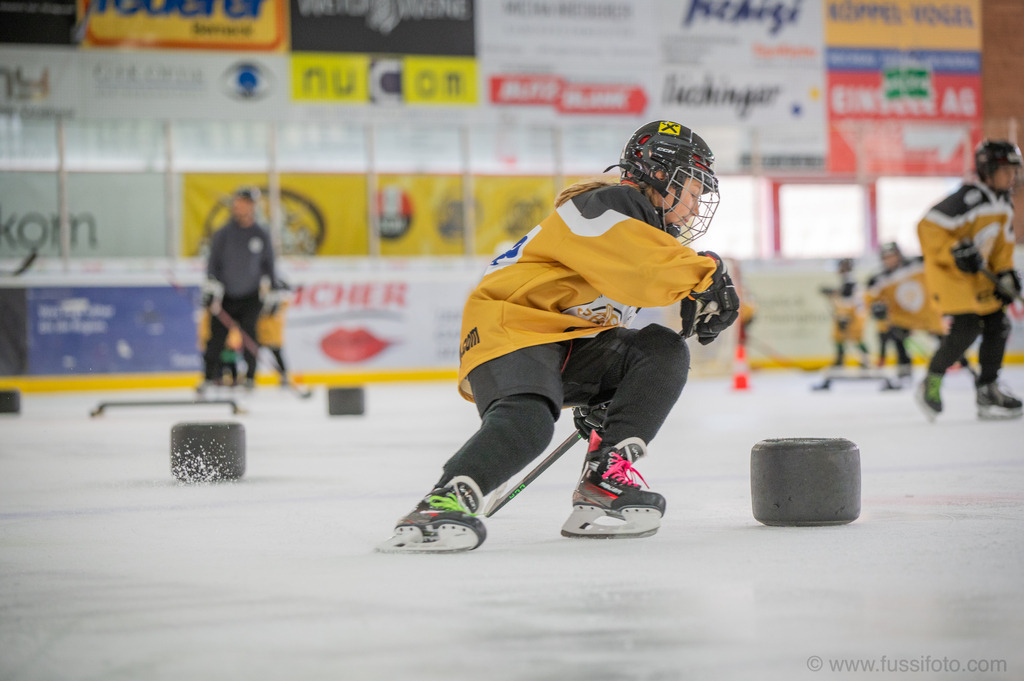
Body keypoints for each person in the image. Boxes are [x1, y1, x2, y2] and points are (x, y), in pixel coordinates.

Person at [378, 120, 739, 553]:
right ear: (661, 174)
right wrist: (705, 275)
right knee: (528, 423)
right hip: (511, 325)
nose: (697, 209)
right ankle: (440, 505)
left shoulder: (640, 231)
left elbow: (622, 295)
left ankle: (605, 478)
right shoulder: (609, 203)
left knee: (658, 349)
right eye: (694, 192)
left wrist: (612, 396)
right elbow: (648, 275)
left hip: (562, 341)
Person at [916, 139, 1023, 421]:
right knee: (967, 328)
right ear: (987, 170)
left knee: (999, 323)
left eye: (1015, 170)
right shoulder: (968, 198)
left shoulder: (1003, 202)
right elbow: (927, 227)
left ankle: (988, 388)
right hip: (951, 277)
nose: (1012, 176)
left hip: (977, 279)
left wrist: (1005, 273)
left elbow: (1002, 247)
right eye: (1006, 170)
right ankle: (932, 380)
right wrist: (954, 251)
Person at [199, 186, 277, 394]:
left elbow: (269, 265)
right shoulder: (223, 234)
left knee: (250, 337)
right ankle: (208, 378)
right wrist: (210, 288)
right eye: (237, 202)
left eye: (244, 203)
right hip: (225, 296)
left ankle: (250, 378)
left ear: (253, 206)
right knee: (216, 338)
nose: (239, 207)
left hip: (251, 295)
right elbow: (212, 266)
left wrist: (274, 288)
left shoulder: (260, 234)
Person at [865, 242, 945, 379]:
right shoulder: (880, 279)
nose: (890, 260)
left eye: (892, 256)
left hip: (927, 314)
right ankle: (905, 371)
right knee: (897, 339)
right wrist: (875, 309)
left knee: (946, 340)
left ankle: (959, 365)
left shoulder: (918, 266)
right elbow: (871, 299)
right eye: (886, 257)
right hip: (902, 318)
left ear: (899, 255)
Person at [819, 258, 870, 368]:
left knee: (856, 337)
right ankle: (840, 360)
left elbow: (847, 296)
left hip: (853, 314)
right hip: (848, 313)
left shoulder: (850, 281)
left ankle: (865, 361)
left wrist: (833, 293)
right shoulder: (846, 280)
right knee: (839, 337)